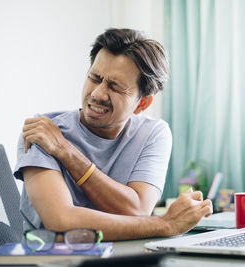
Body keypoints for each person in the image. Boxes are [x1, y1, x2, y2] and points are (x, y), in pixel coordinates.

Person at [14, 28, 212, 241]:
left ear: (142, 104)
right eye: (95, 78)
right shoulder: (43, 131)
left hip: (123, 255)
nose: (98, 93)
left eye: (115, 87)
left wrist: (65, 151)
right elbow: (62, 221)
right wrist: (166, 224)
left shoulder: (153, 133)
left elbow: (136, 210)